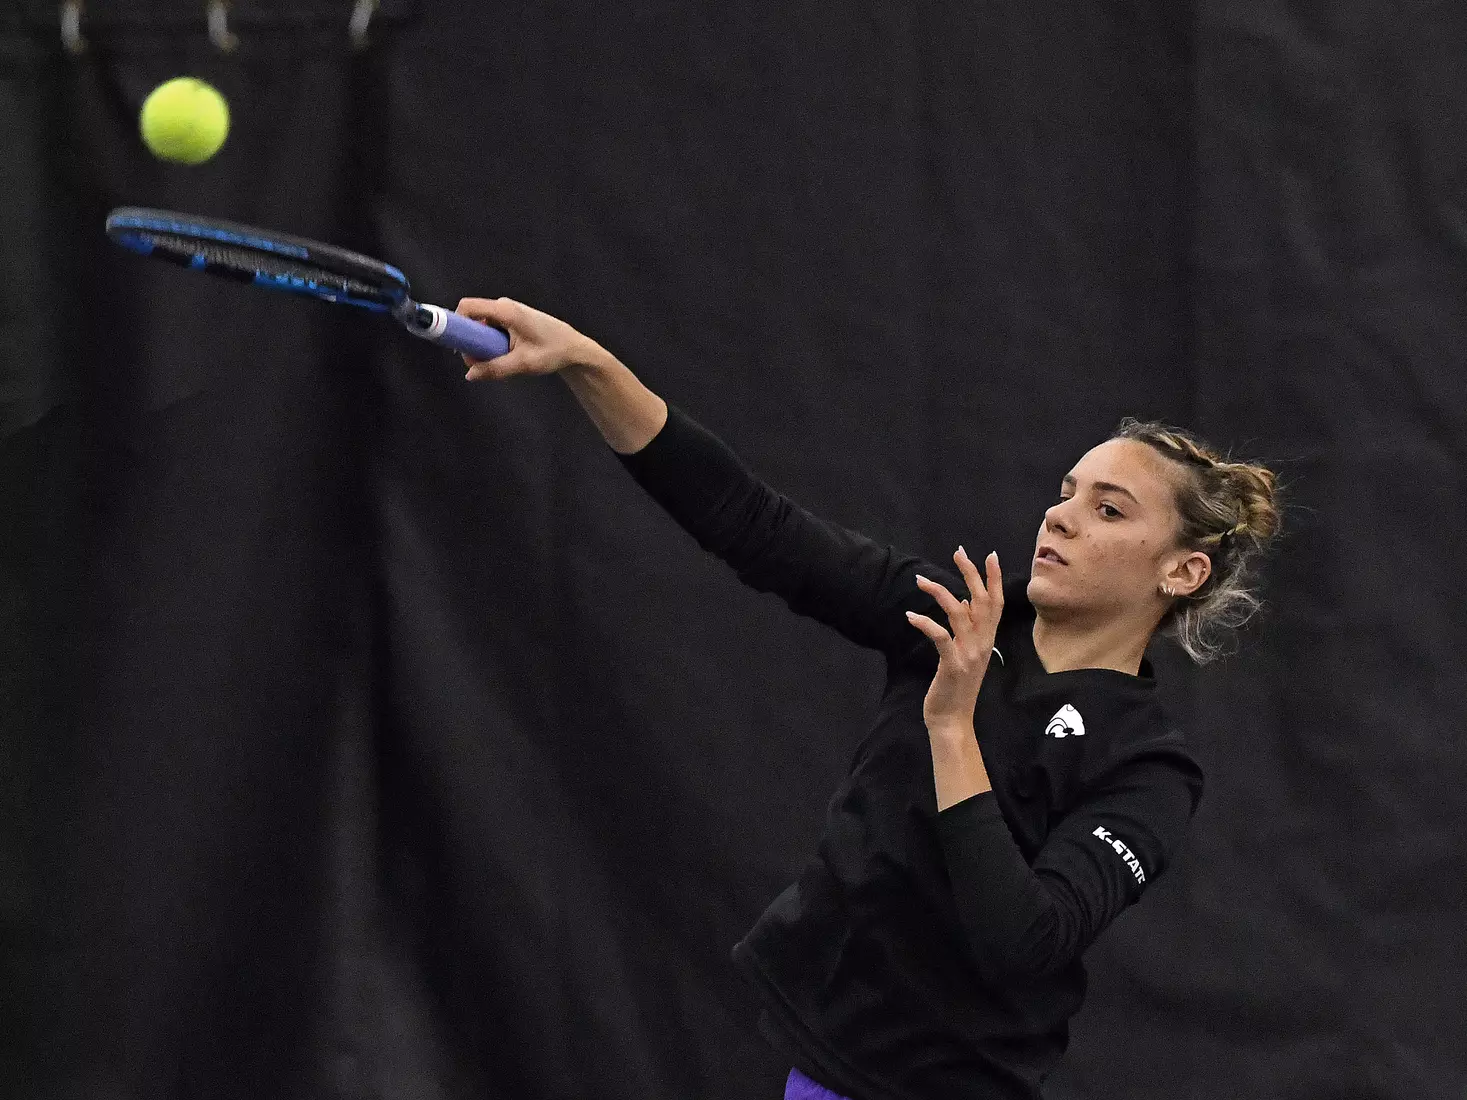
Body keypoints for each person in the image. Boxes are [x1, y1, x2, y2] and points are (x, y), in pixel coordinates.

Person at [455, 297, 1282, 1100]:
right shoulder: (954, 618)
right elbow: (749, 520)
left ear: (1182, 571)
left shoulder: (1148, 769)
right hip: (818, 1046)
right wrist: (588, 363)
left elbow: (1025, 939)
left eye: (1106, 508)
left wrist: (951, 726)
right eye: (1065, 492)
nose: (1059, 518)